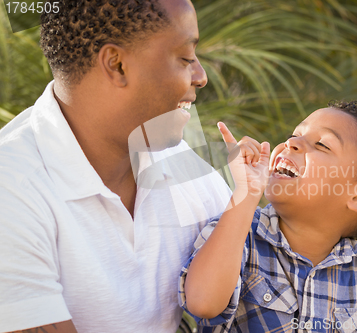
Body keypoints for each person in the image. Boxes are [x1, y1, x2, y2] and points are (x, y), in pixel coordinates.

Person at [0, 0, 232, 332]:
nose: (200, 76)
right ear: (117, 64)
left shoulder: (179, 163)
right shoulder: (11, 188)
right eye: (185, 58)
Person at [179, 101, 357, 332]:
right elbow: (202, 302)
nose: (291, 142)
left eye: (323, 144)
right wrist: (247, 193)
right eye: (295, 134)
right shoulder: (238, 236)